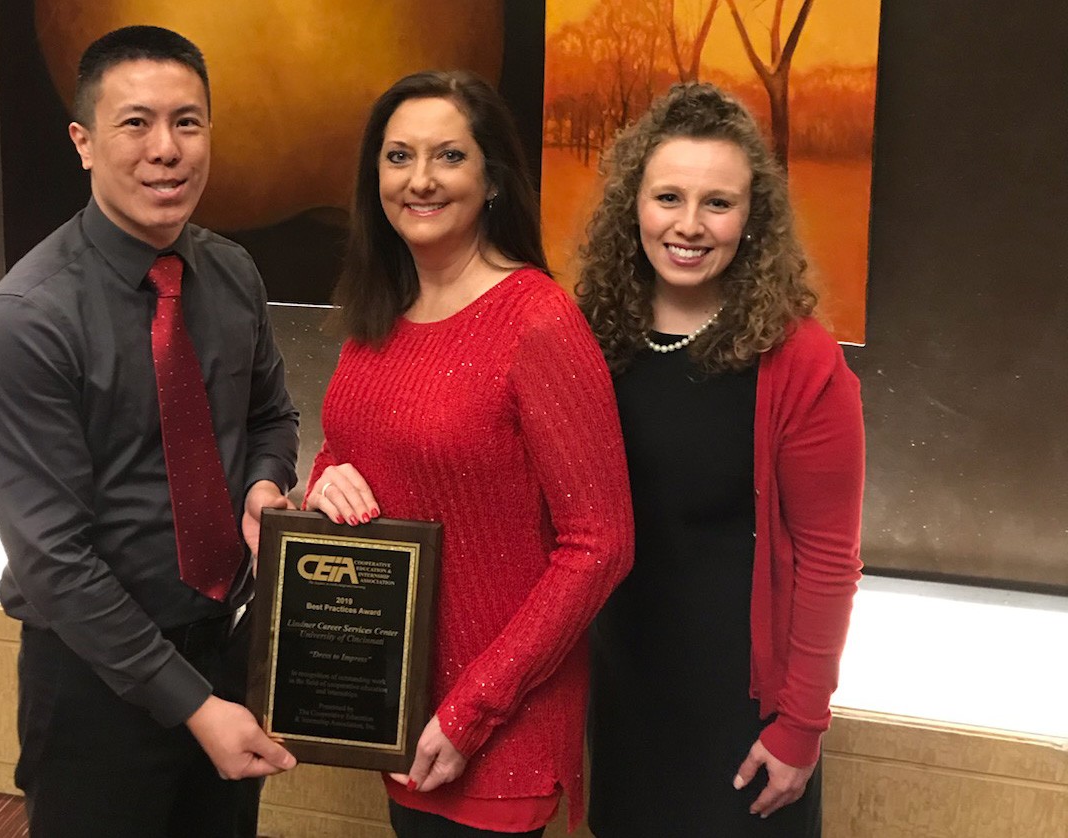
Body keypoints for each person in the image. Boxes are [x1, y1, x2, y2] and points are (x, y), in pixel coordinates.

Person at [0, 25, 299, 838]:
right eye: (136, 122)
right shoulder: (26, 321)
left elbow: (270, 416)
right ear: (82, 141)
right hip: (95, 681)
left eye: (188, 122)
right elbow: (54, 561)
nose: (167, 150)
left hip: (227, 645)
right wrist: (192, 707)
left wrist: (261, 485)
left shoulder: (231, 274)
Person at [302, 70, 634, 837]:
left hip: (496, 728)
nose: (419, 180)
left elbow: (602, 544)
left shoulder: (539, 324)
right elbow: (357, 455)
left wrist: (471, 710)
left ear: (492, 180)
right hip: (399, 709)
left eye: (448, 156)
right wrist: (325, 483)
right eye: (397, 157)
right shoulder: (378, 312)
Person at [578, 83, 865, 836]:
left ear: (753, 218)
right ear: (631, 205)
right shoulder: (588, 337)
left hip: (746, 725)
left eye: (718, 203)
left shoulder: (801, 361)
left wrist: (800, 727)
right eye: (668, 196)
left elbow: (830, 561)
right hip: (623, 700)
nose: (689, 225)